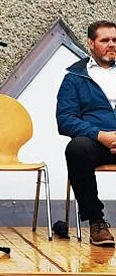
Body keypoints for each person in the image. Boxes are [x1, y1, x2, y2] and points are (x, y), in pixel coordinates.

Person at [57, 20, 116, 246]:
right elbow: (65, 120)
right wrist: (100, 134)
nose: (111, 44)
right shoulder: (74, 77)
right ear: (91, 43)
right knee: (77, 148)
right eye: (105, 40)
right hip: (96, 144)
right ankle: (96, 222)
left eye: (115, 40)